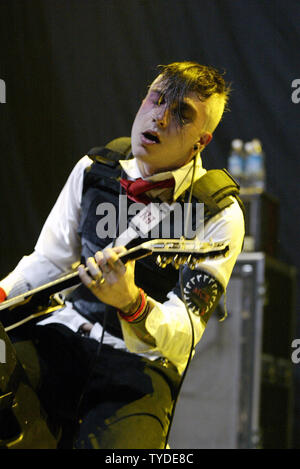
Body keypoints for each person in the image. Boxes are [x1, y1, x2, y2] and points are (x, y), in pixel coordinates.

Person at [0, 61, 244, 449]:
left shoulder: (220, 214)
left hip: (140, 371)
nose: (160, 118)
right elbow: (48, 261)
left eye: (182, 113)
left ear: (202, 140)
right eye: (157, 99)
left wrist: (133, 304)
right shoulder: (94, 168)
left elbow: (185, 334)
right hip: (63, 335)